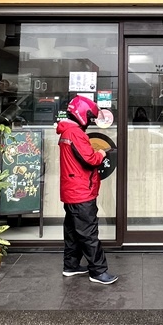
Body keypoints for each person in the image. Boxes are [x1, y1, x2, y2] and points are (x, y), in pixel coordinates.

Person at [57, 95, 119, 285]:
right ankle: (98, 272)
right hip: (81, 191)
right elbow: (90, 159)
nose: (90, 121)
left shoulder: (67, 131)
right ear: (82, 113)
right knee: (88, 232)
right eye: (90, 117)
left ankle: (71, 266)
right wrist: (101, 152)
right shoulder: (75, 133)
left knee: (73, 231)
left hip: (71, 190)